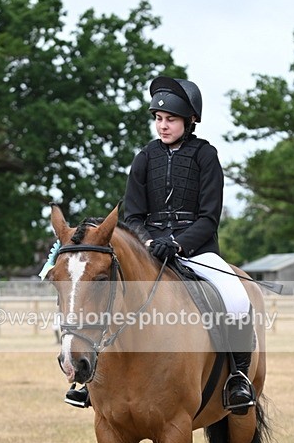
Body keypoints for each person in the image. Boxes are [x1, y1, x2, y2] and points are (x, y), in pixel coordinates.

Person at [65, 76, 255, 413]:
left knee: (236, 298)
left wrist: (179, 244)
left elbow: (209, 217)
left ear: (189, 121)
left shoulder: (205, 156)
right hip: (149, 250)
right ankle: (90, 381)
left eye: (170, 120)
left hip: (197, 249)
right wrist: (150, 240)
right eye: (158, 119)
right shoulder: (144, 158)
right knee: (106, 297)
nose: (163, 126)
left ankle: (237, 378)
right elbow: (132, 215)